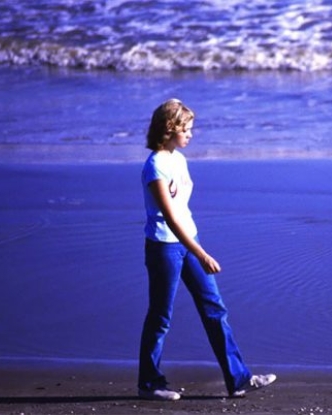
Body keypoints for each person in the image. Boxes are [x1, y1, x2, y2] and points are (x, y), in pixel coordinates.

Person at [138, 98, 276, 401]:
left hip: (189, 242)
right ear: (170, 128)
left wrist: (196, 247)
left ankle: (238, 379)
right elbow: (170, 218)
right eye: (186, 129)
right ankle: (149, 383)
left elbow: (183, 212)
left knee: (214, 308)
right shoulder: (155, 166)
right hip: (165, 247)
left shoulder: (178, 159)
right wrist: (201, 253)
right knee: (161, 316)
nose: (191, 134)